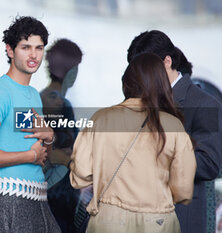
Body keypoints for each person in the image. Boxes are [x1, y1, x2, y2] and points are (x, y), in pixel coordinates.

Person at [69, 53, 196, 233]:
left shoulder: (101, 119)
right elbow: (183, 190)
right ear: (162, 85)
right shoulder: (173, 125)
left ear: (126, 83)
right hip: (158, 222)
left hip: (109, 220)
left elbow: (79, 176)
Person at [0, 16, 61, 233]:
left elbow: (38, 152)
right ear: (10, 50)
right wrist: (29, 156)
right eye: (25, 47)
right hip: (10, 200)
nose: (33, 55)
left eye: (39, 48)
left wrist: (49, 137)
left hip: (38, 197)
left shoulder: (32, 95)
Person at [127, 30, 222, 233]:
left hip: (181, 216)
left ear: (167, 62)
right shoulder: (142, 102)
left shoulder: (203, 103)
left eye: (146, 69)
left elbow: (210, 163)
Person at [40, 38, 82, 233]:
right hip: (60, 193)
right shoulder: (62, 105)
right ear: (70, 72)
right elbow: (72, 148)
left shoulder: (39, 98)